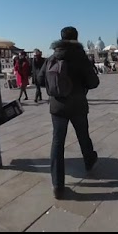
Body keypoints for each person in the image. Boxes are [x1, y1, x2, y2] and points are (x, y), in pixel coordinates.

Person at [38, 26, 100, 199]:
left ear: (61, 38)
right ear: (77, 37)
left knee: (57, 143)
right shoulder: (80, 57)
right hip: (78, 104)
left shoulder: (52, 57)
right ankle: (89, 160)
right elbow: (94, 82)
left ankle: (58, 185)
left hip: (57, 106)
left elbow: (40, 79)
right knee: (83, 135)